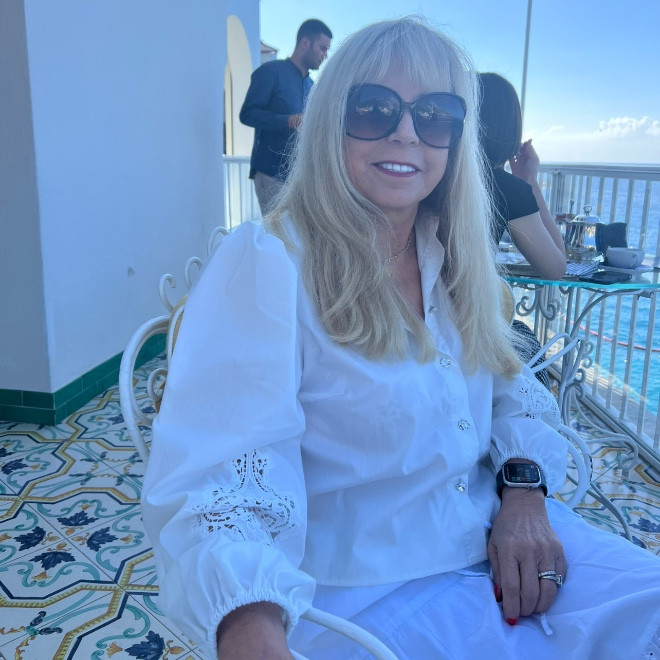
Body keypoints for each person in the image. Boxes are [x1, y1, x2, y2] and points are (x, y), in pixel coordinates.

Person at [142, 18, 660, 660]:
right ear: (331, 121)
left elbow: (513, 392)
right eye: (374, 108)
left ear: (456, 140)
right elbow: (218, 479)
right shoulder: (270, 262)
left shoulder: (452, 254)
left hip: (489, 538)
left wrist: (524, 494)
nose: (407, 133)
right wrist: (250, 627)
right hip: (365, 599)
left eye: (435, 116)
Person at [239, 18, 332, 217]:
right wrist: (288, 121)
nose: (324, 56)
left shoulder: (311, 86)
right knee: (278, 234)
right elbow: (248, 114)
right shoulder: (270, 72)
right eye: (322, 48)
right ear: (305, 43)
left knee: (300, 232)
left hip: (300, 178)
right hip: (271, 174)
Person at [479, 72, 566, 280]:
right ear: (510, 128)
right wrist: (529, 181)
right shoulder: (507, 190)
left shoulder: (435, 175)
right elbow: (555, 268)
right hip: (466, 299)